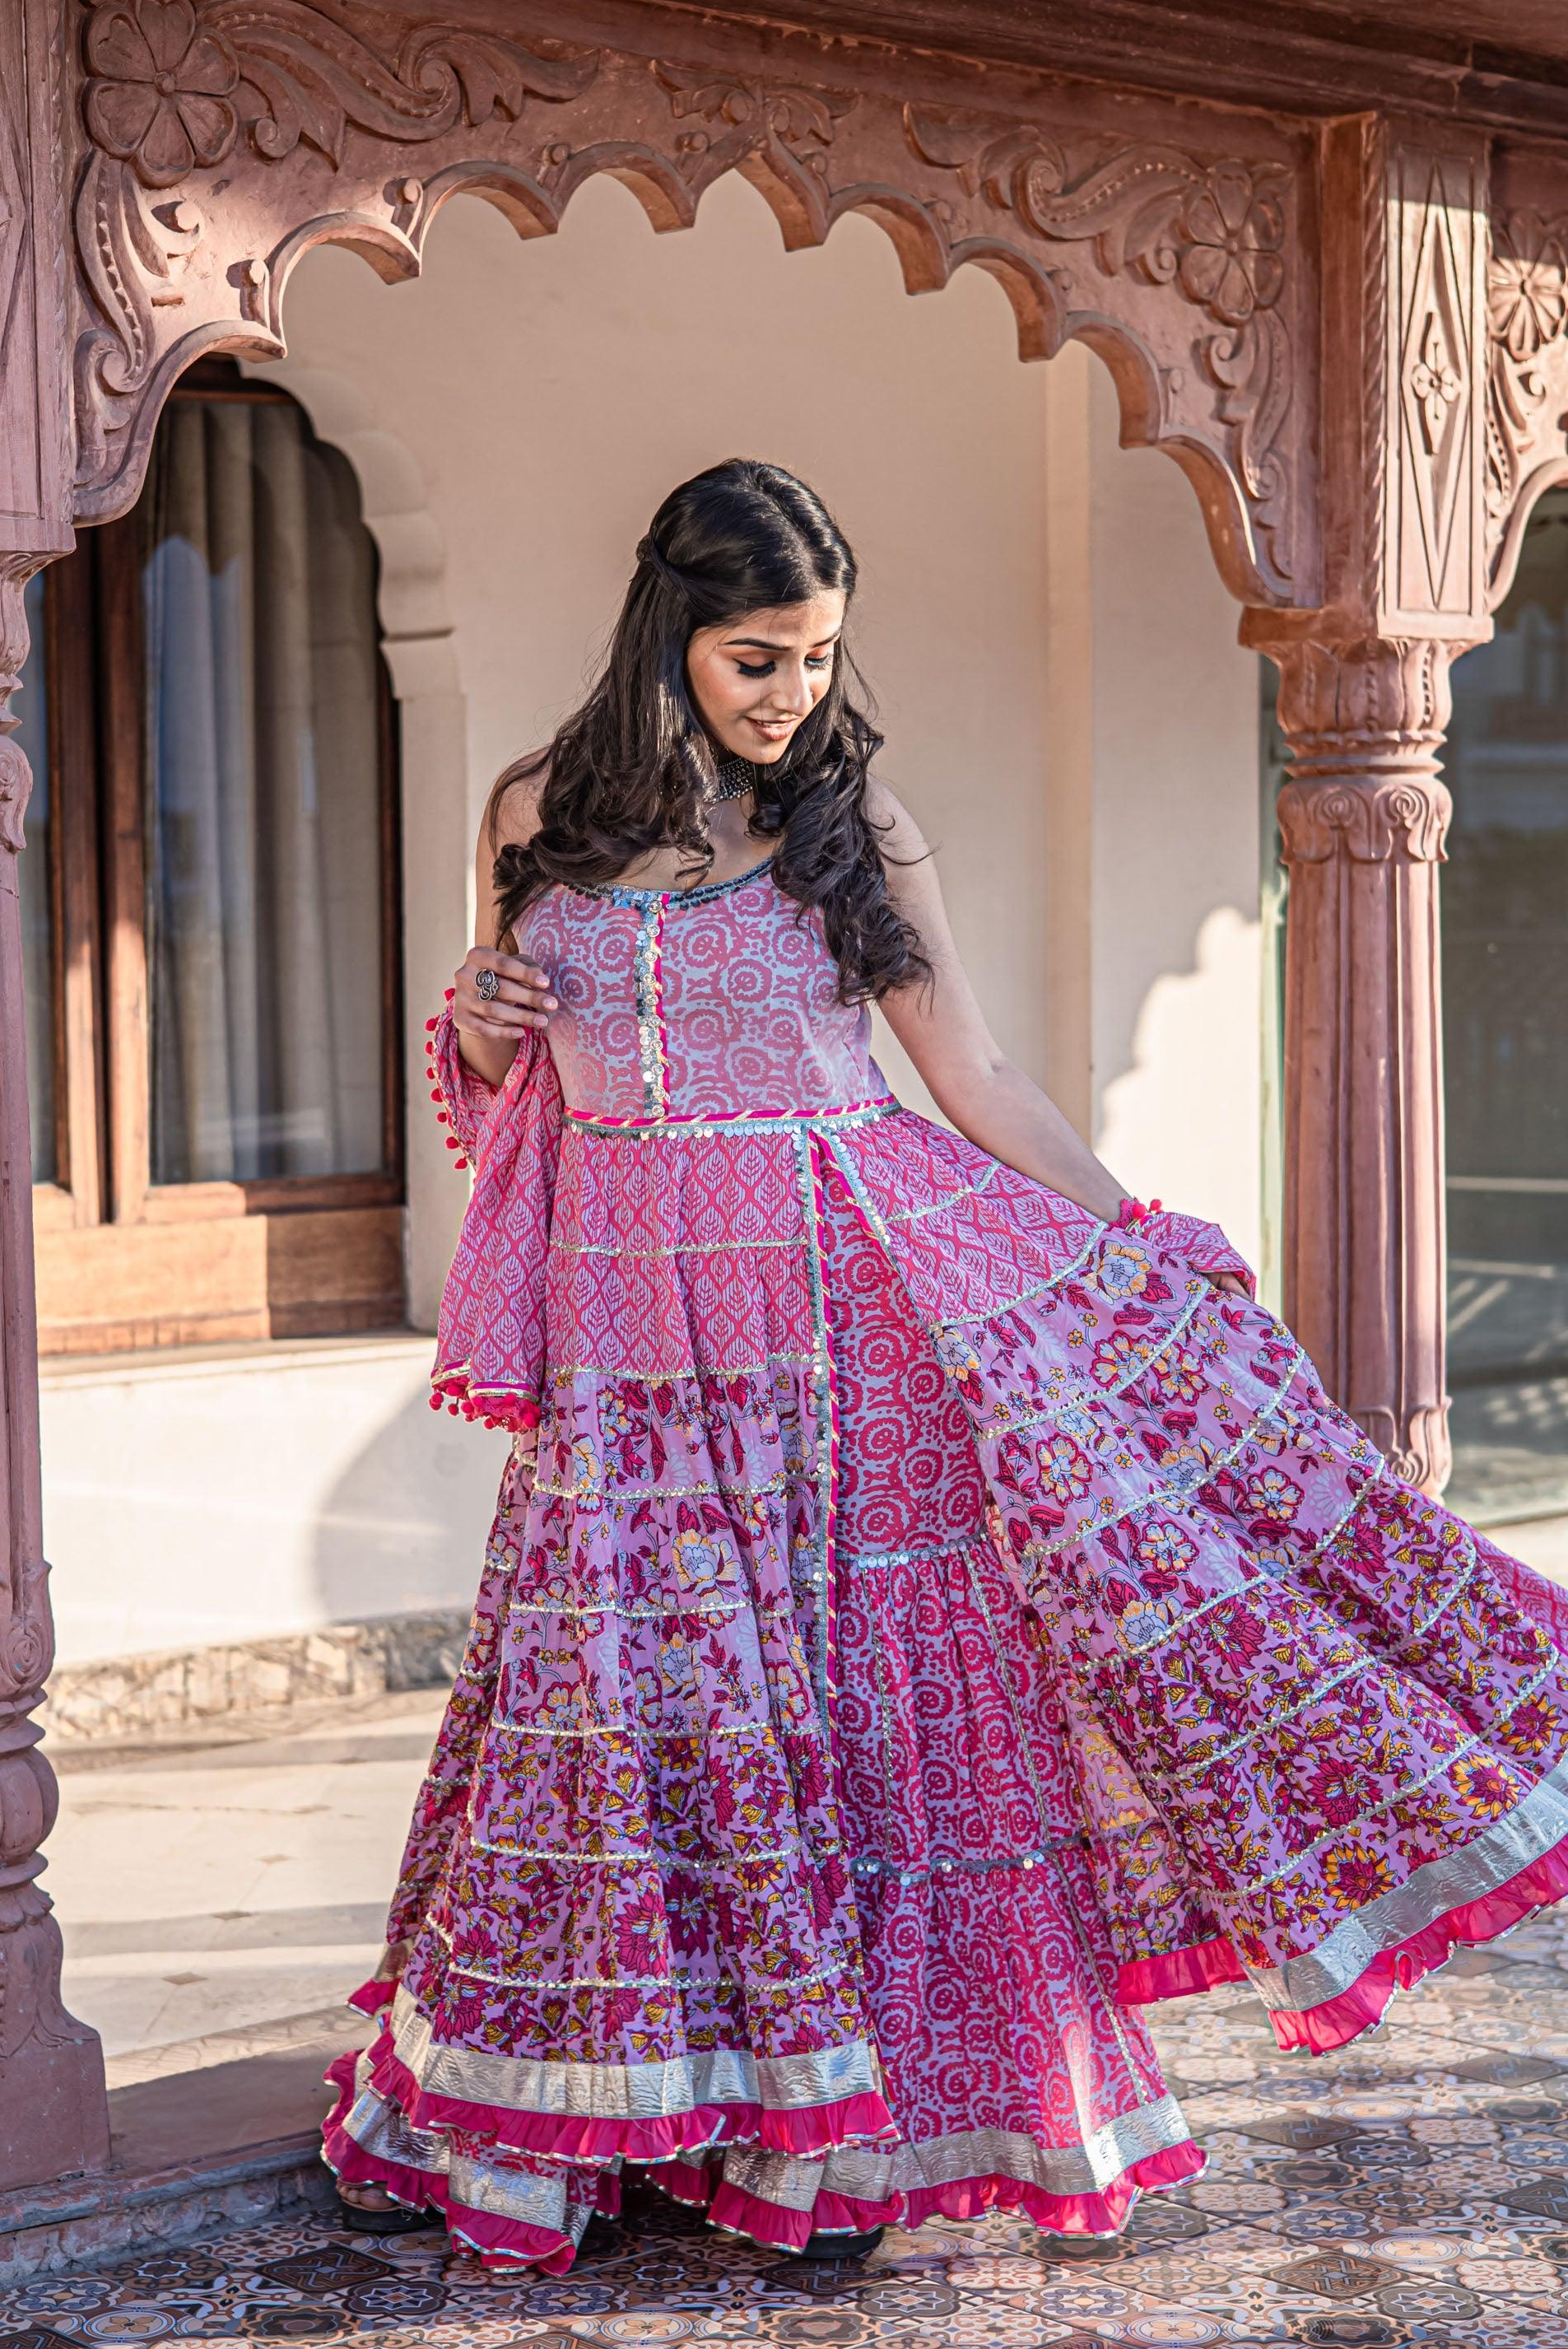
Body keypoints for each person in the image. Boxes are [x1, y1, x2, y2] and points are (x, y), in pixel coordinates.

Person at [322, 458, 1568, 2275]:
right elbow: (516, 1080)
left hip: (848, 1326)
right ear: (668, 633)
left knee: (855, 1726)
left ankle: (850, 2148)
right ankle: (607, 2117)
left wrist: (1137, 1239)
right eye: (758, 657)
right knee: (625, 1717)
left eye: (817, 658)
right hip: (627, 1347)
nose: (791, 695)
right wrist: (483, 1013)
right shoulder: (534, 809)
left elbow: (973, 1079)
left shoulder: (852, 827)